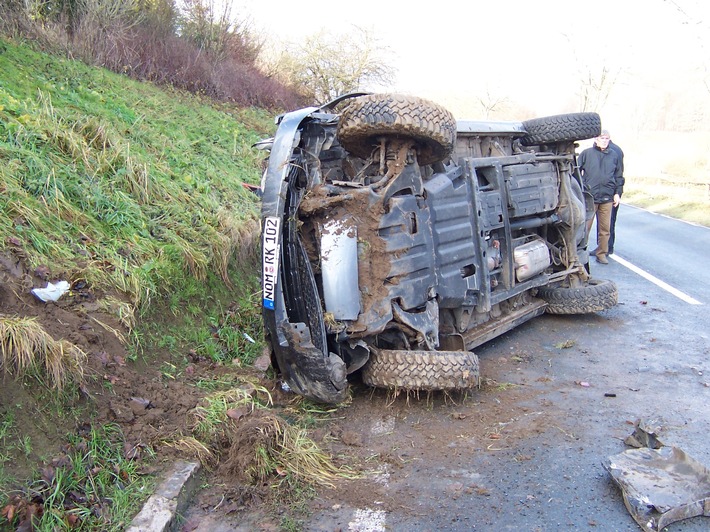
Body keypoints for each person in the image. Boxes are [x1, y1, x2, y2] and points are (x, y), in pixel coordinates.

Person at [577, 130, 623, 264]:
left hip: (607, 197)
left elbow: (619, 176)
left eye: (607, 138)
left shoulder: (614, 155)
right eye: (602, 138)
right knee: (585, 228)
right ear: (596, 139)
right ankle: (580, 254)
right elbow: (576, 171)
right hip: (590, 197)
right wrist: (581, 188)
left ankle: (602, 253)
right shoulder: (587, 154)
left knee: (605, 229)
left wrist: (617, 193)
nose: (604, 140)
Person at [607, 136, 624, 254]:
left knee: (608, 221)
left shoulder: (612, 152)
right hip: (614, 190)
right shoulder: (618, 149)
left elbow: (617, 173)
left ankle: (607, 247)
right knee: (610, 220)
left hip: (610, 190)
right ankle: (607, 246)